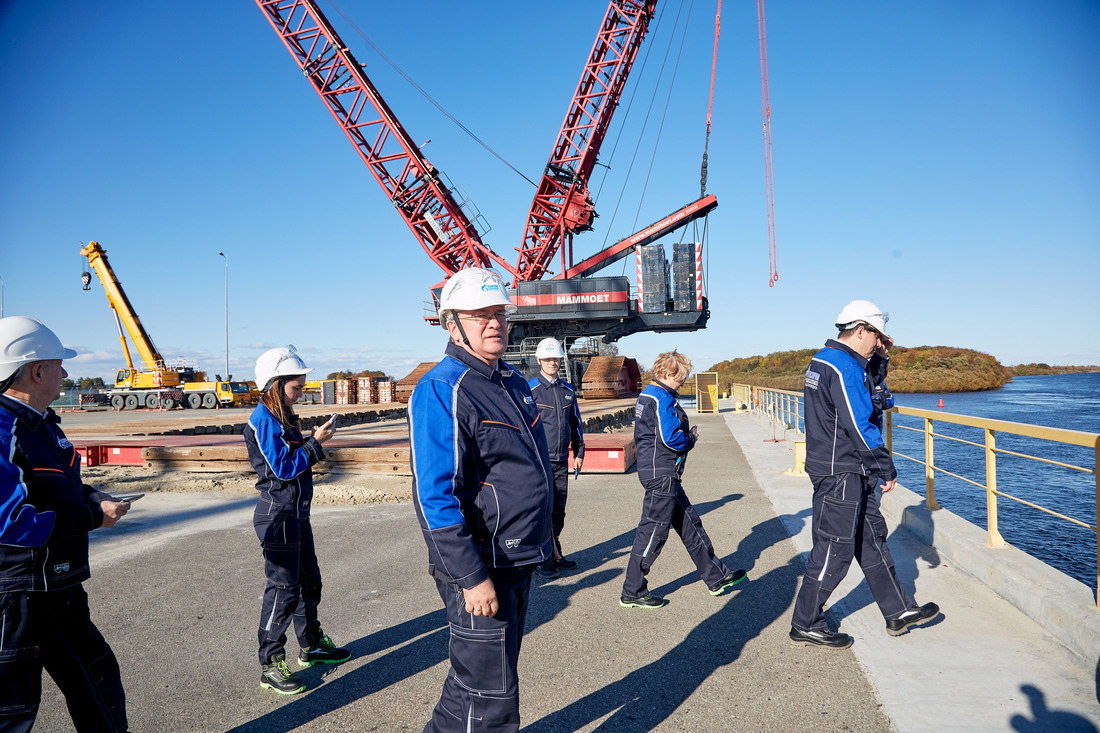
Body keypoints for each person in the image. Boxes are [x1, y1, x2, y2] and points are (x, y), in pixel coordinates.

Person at [409, 268, 553, 732]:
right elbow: (434, 496)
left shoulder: (510, 380)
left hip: (516, 561)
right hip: (482, 568)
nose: (494, 323)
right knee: (489, 700)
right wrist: (471, 578)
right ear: (452, 324)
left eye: (499, 314)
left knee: (478, 685)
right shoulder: (442, 389)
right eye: (479, 315)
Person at [0, 316, 130, 731]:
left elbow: (58, 485)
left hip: (58, 589)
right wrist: (94, 516)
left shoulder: (41, 426)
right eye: (59, 364)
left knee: (99, 683)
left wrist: (92, 495)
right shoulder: (5, 431)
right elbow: (11, 523)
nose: (66, 373)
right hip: (18, 597)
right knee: (11, 711)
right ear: (37, 370)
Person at [789, 300, 939, 648]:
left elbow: (866, 388)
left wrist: (882, 358)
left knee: (871, 539)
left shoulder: (832, 361)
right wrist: (884, 466)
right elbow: (858, 420)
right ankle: (806, 622)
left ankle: (899, 610)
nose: (879, 342)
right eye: (877, 336)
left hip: (847, 467)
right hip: (840, 470)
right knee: (834, 549)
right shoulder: (840, 366)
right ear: (860, 330)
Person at [245, 345, 350, 695]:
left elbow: (292, 456)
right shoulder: (263, 421)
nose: (301, 391)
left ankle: (311, 644)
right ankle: (270, 663)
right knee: (284, 589)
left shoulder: (283, 418)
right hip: (279, 516)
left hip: (296, 514)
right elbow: (283, 468)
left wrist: (310, 440)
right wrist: (315, 445)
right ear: (275, 385)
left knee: (309, 581)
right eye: (296, 386)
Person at [620, 350, 746, 609]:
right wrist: (690, 439)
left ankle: (716, 576)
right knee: (653, 531)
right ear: (666, 374)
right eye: (680, 377)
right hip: (662, 473)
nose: (682, 381)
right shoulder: (661, 397)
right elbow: (670, 437)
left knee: (689, 524)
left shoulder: (649, 395)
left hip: (660, 472)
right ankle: (632, 590)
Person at [527, 337, 584, 579]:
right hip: (539, 462)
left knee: (559, 508)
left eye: (556, 358)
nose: (553, 362)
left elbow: (576, 424)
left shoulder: (568, 391)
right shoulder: (529, 390)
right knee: (543, 509)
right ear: (539, 360)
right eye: (548, 358)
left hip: (561, 460)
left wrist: (579, 452)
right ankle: (544, 558)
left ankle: (556, 549)